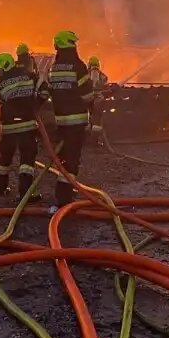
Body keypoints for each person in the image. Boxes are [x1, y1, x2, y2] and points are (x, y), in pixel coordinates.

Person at [47, 30, 93, 208]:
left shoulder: (54, 67)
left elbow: (53, 92)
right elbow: (87, 95)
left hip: (61, 121)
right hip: (76, 121)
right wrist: (95, 101)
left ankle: (63, 192)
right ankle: (64, 199)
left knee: (63, 158)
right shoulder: (78, 66)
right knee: (72, 160)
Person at [0, 52, 42, 200]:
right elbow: (44, 90)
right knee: (27, 161)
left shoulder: (0, 82)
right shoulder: (29, 75)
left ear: (5, 66)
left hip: (8, 127)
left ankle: (1, 188)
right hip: (27, 125)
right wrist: (36, 104)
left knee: (5, 158)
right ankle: (25, 194)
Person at [87, 56, 110, 137]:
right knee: (97, 121)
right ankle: (97, 138)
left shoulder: (85, 74)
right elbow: (106, 87)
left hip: (87, 99)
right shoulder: (103, 76)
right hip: (98, 100)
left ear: (89, 65)